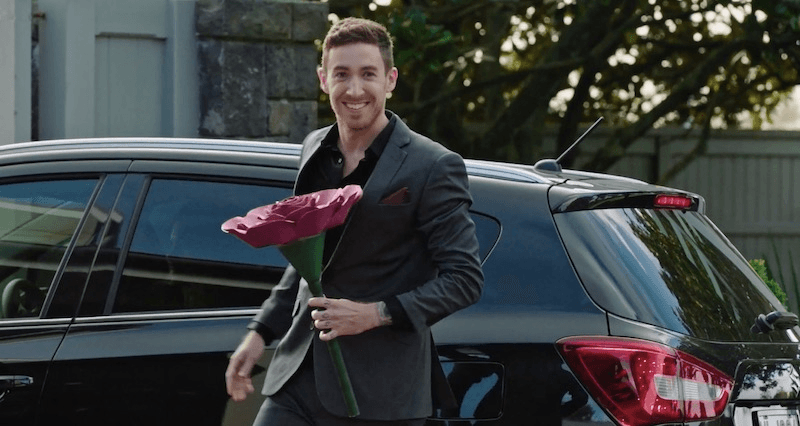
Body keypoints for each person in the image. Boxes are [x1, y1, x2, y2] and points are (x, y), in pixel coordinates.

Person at [225, 17, 483, 425]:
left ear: (390, 80)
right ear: (323, 79)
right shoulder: (313, 146)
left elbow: (465, 280)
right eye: (342, 74)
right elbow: (308, 256)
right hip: (297, 379)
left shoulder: (432, 165)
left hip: (378, 395)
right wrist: (260, 333)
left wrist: (375, 314)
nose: (355, 89)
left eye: (368, 74)